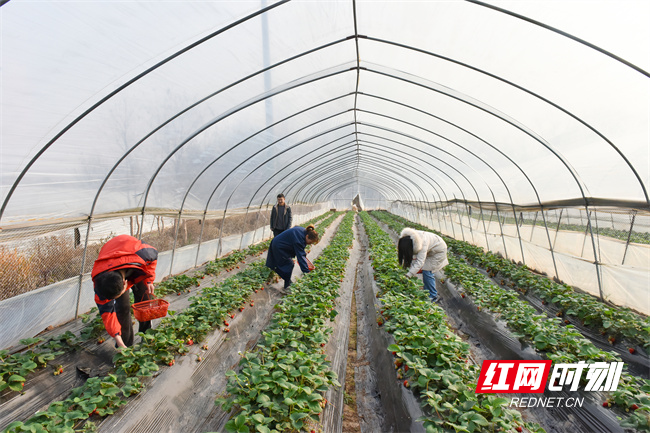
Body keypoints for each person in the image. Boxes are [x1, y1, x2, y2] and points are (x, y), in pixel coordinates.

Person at [92, 234, 158, 348]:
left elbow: (154, 255)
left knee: (144, 300)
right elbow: (108, 314)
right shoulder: (101, 285)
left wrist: (149, 280)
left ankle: (147, 335)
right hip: (113, 263)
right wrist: (118, 340)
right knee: (122, 307)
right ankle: (125, 343)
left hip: (133, 258)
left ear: (124, 283)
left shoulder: (142, 253)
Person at [398, 227, 448, 303]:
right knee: (421, 268)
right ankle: (426, 292)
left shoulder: (422, 243)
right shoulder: (408, 239)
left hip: (438, 251)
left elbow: (420, 262)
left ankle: (433, 296)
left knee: (427, 271)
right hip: (430, 249)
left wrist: (408, 275)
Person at [266, 225, 319, 289]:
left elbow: (300, 252)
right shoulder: (299, 239)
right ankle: (287, 285)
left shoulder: (304, 231)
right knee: (289, 264)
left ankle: (287, 281)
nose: (309, 244)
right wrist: (306, 271)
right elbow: (301, 256)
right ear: (307, 236)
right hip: (279, 246)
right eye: (310, 242)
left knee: (287, 263)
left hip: (280, 244)